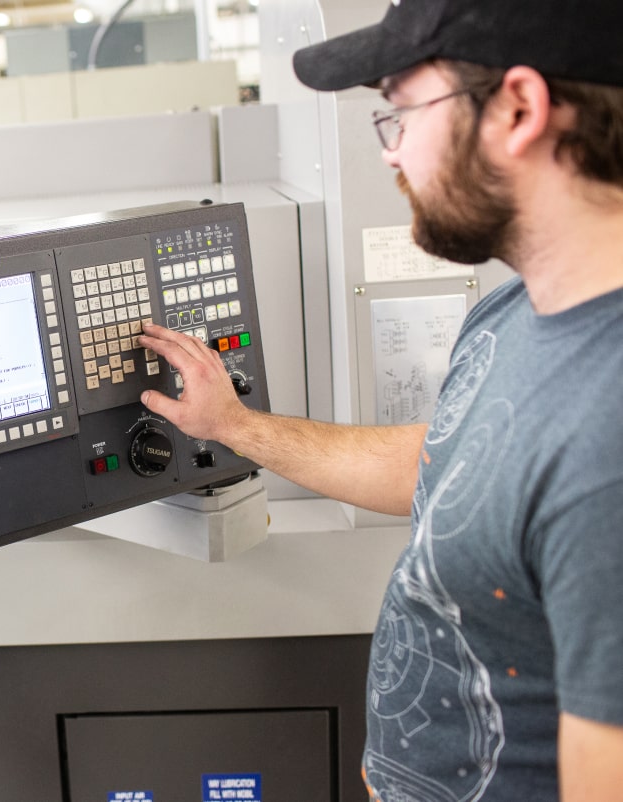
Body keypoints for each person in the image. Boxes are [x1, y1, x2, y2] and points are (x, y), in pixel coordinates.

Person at [139, 0, 623, 798]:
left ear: (520, 108)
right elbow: (444, 466)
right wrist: (235, 426)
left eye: (401, 110)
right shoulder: (519, 308)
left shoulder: (606, 444)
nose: (392, 153)